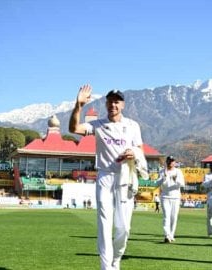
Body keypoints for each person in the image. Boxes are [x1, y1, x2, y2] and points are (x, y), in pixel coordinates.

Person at [69, 84, 146, 270]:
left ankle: (116, 258)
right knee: (104, 222)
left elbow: (140, 150)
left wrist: (133, 153)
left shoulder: (132, 126)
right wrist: (78, 106)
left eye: (117, 102)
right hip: (105, 176)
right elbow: (74, 128)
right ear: (106, 104)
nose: (113, 105)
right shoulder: (98, 124)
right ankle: (106, 267)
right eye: (110, 101)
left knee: (123, 228)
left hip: (125, 177)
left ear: (123, 105)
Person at [156, 155, 185, 243]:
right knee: (166, 216)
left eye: (172, 161)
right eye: (169, 161)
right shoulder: (162, 171)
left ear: (174, 162)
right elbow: (156, 183)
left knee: (174, 217)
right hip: (165, 196)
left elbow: (182, 184)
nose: (171, 163)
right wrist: (163, 178)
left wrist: (176, 179)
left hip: (175, 197)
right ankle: (167, 235)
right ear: (167, 162)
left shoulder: (178, 171)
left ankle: (171, 234)